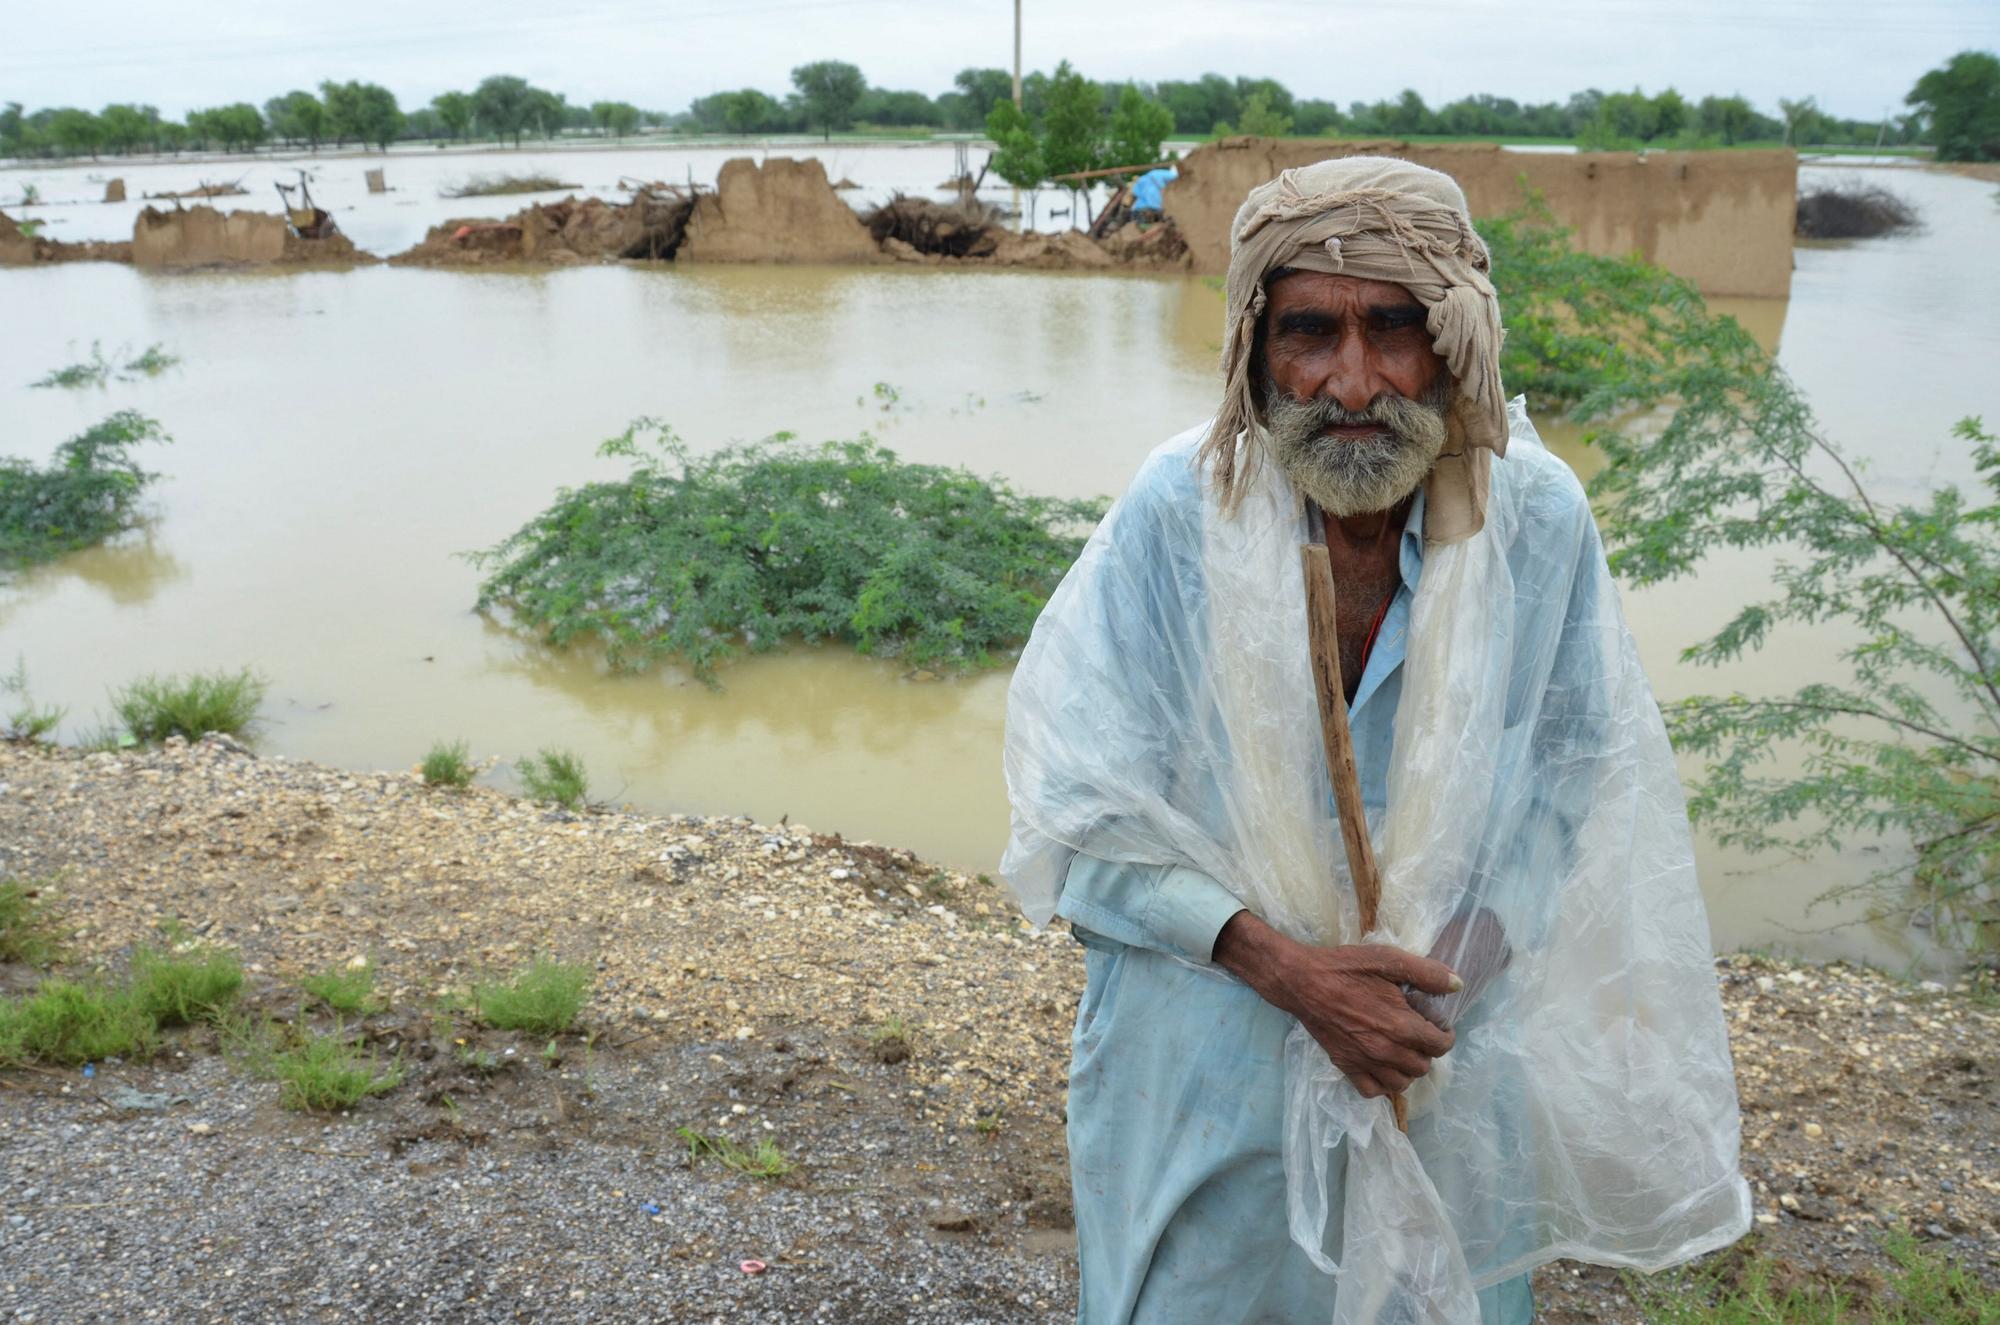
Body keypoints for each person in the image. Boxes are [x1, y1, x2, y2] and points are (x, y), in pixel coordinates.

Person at [1001, 156, 1750, 1325]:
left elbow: (1566, 777)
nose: (1351, 382)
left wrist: (1451, 969)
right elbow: (1072, 807)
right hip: (1205, 1056)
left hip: (1436, 1049)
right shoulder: (1175, 514)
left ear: (1453, 346)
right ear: (1254, 355)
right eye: (1308, 333)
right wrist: (1289, 970)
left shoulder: (1536, 520)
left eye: (1392, 330)